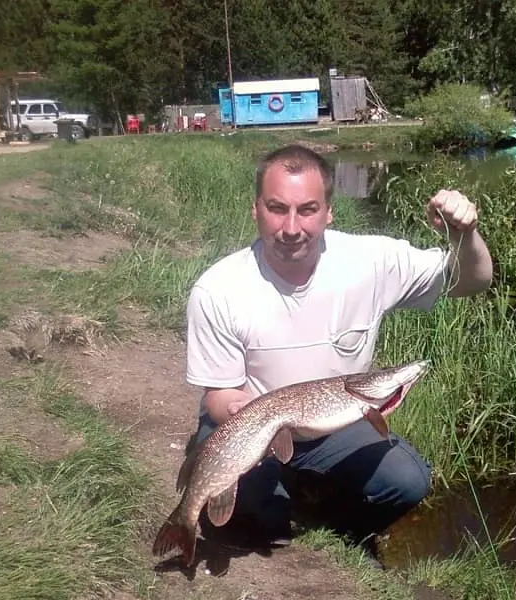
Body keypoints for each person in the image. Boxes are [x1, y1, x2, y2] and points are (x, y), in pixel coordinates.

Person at [184, 144, 493, 558]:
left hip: (336, 423)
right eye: (277, 208)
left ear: (329, 210)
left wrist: (464, 234)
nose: (291, 227)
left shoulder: (371, 260)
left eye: (307, 209)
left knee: (408, 480)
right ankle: (268, 500)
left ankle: (334, 522)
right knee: (253, 521)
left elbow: (472, 281)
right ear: (255, 208)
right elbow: (218, 396)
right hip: (254, 427)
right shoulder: (218, 290)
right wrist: (247, 413)